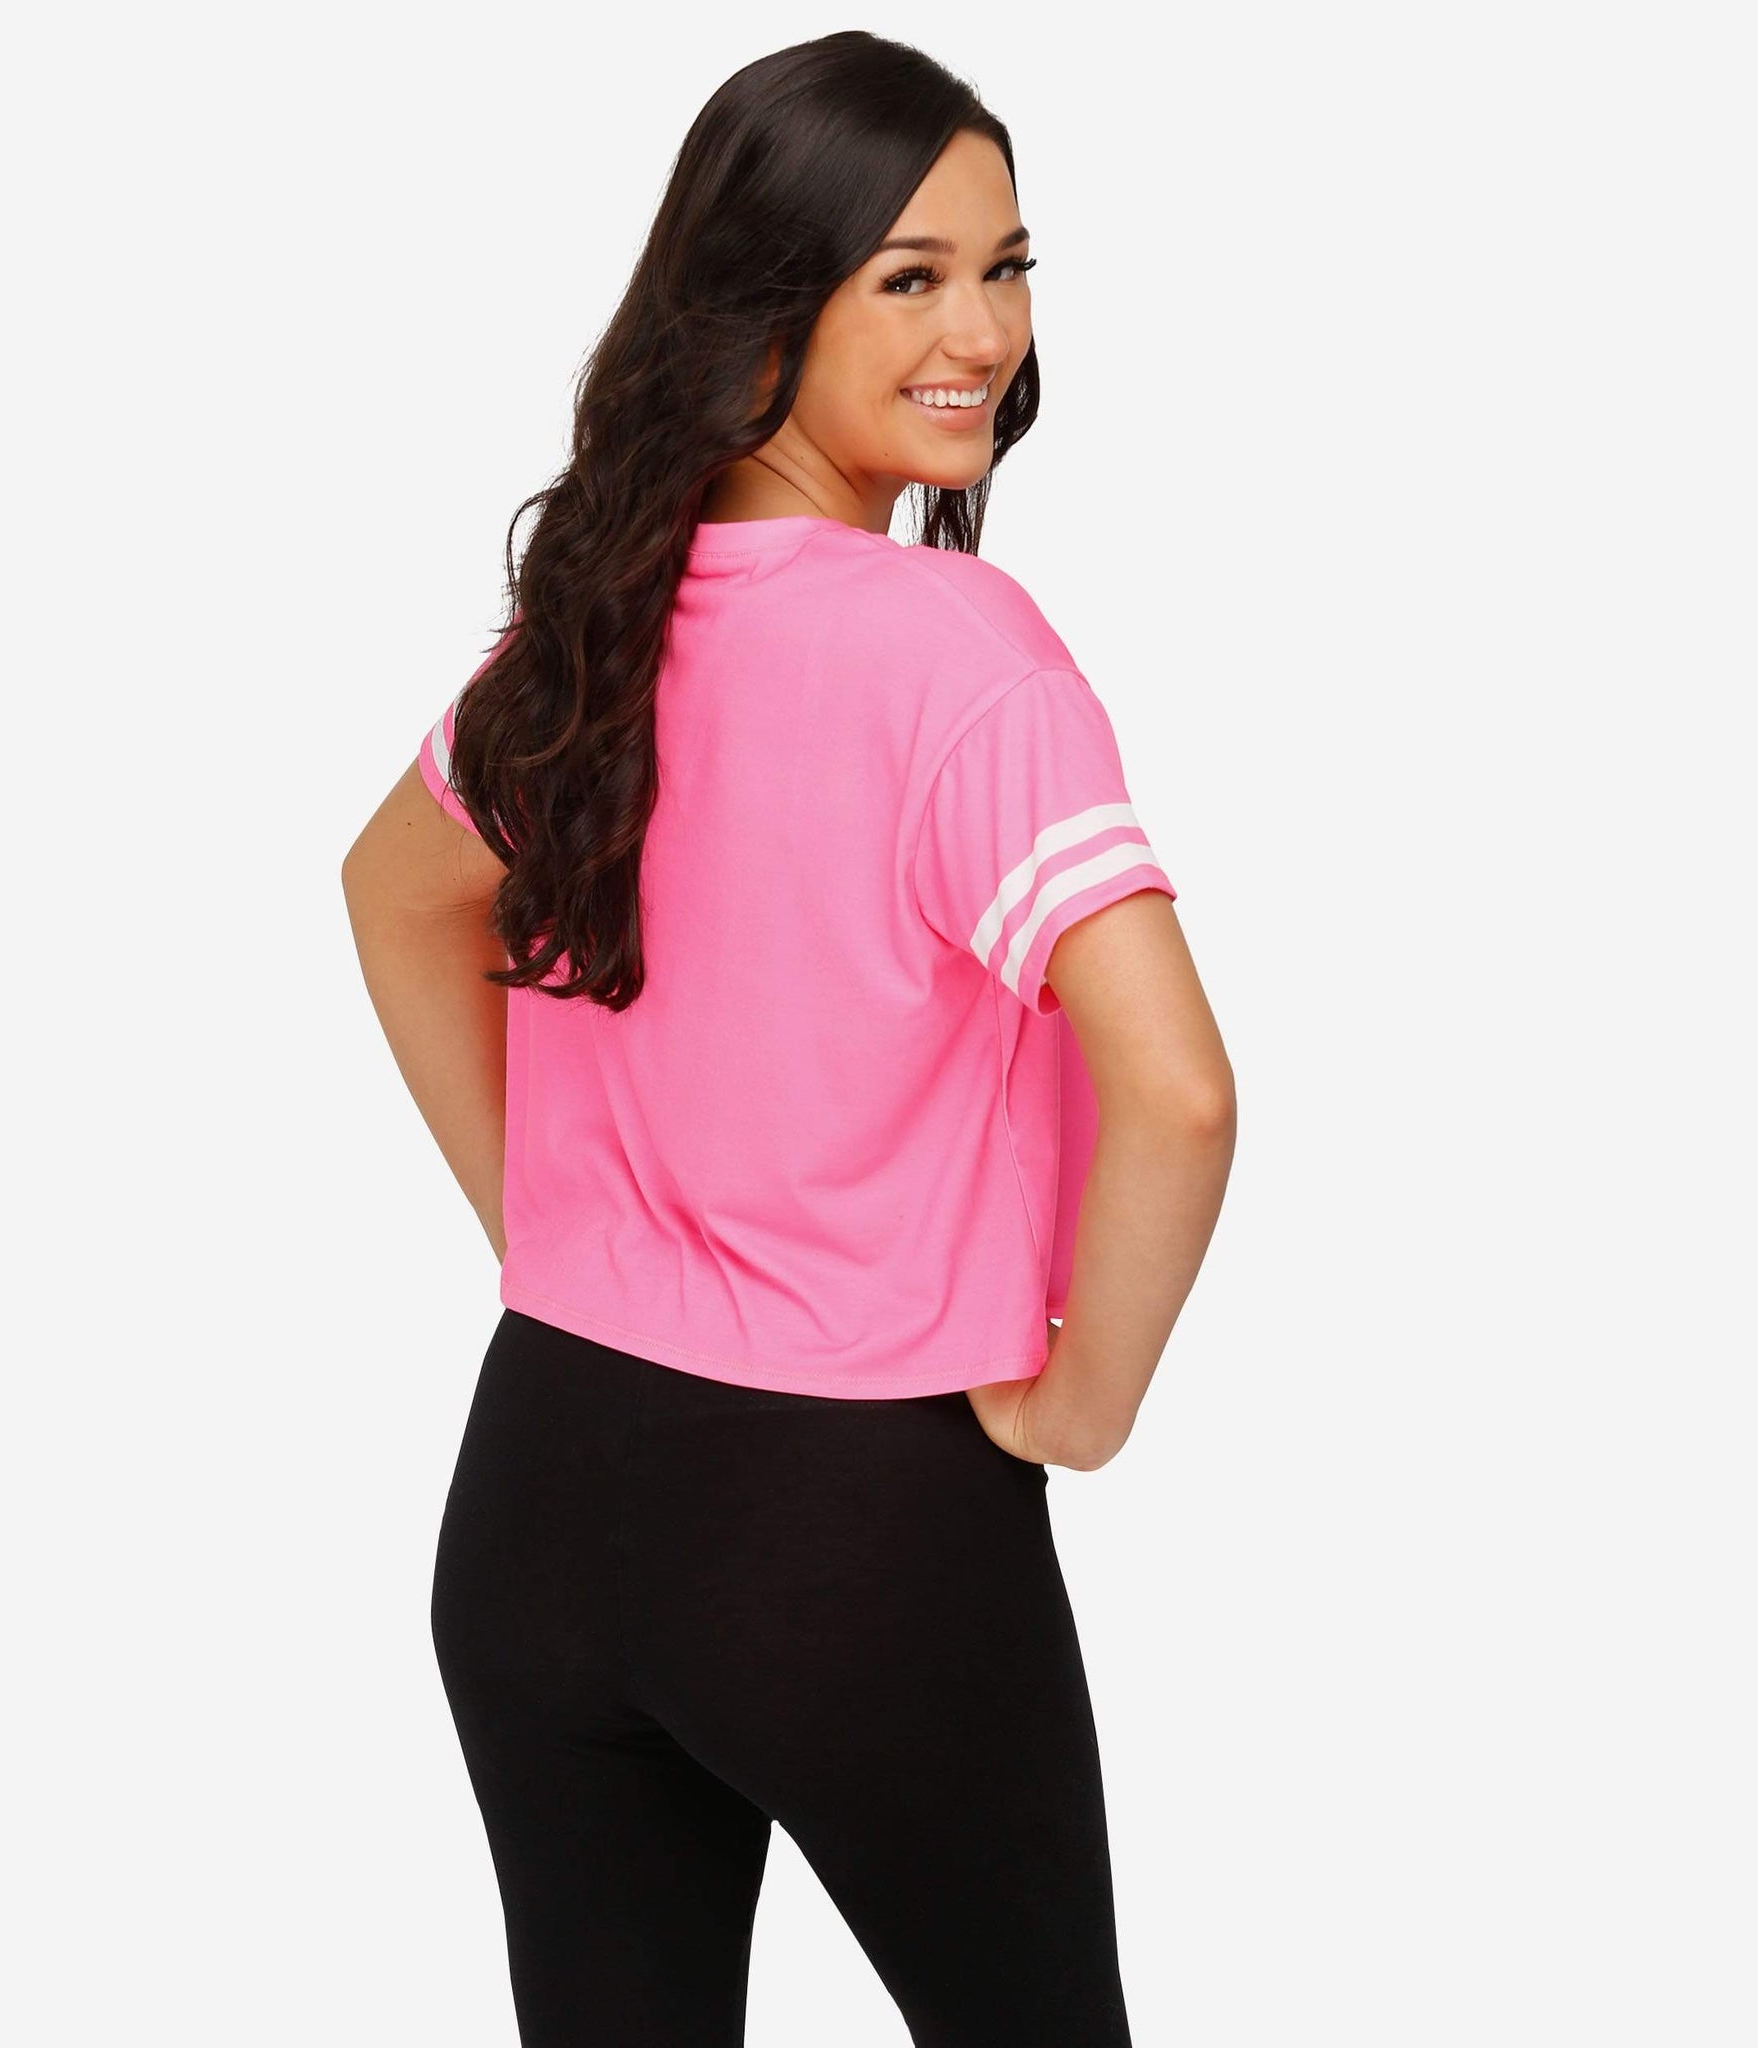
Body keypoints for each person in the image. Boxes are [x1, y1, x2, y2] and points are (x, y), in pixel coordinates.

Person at [342, 30, 1236, 2047]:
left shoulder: (590, 629)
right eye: (909, 277)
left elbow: (391, 895)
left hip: (541, 1487)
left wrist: (548, 1226)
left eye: (1007, 268)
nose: (981, 333)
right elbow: (1180, 1091)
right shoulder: (960, 652)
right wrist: (1082, 1411)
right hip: (851, 1527)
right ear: (764, 301)